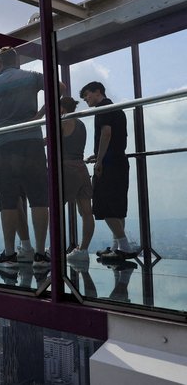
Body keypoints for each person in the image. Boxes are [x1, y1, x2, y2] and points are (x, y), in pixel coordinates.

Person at [0, 46, 65, 268]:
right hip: (33, 143)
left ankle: (9, 253)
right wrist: (39, 116)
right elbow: (60, 87)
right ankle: (41, 254)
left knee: (7, 200)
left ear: (0, 62)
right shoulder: (32, 77)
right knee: (38, 198)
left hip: (5, 147)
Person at [80, 81, 138, 260]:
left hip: (109, 163)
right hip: (119, 160)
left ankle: (124, 246)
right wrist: (97, 154)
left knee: (104, 205)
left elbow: (106, 133)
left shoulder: (102, 108)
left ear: (97, 91)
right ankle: (117, 247)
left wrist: (99, 160)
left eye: (87, 95)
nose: (86, 100)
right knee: (117, 205)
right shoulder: (117, 109)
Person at [59, 96, 95, 263]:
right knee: (86, 211)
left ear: (61, 108)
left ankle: (54, 248)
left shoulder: (63, 121)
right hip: (82, 168)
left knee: (56, 208)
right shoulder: (80, 124)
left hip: (67, 169)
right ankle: (83, 249)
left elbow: (48, 141)